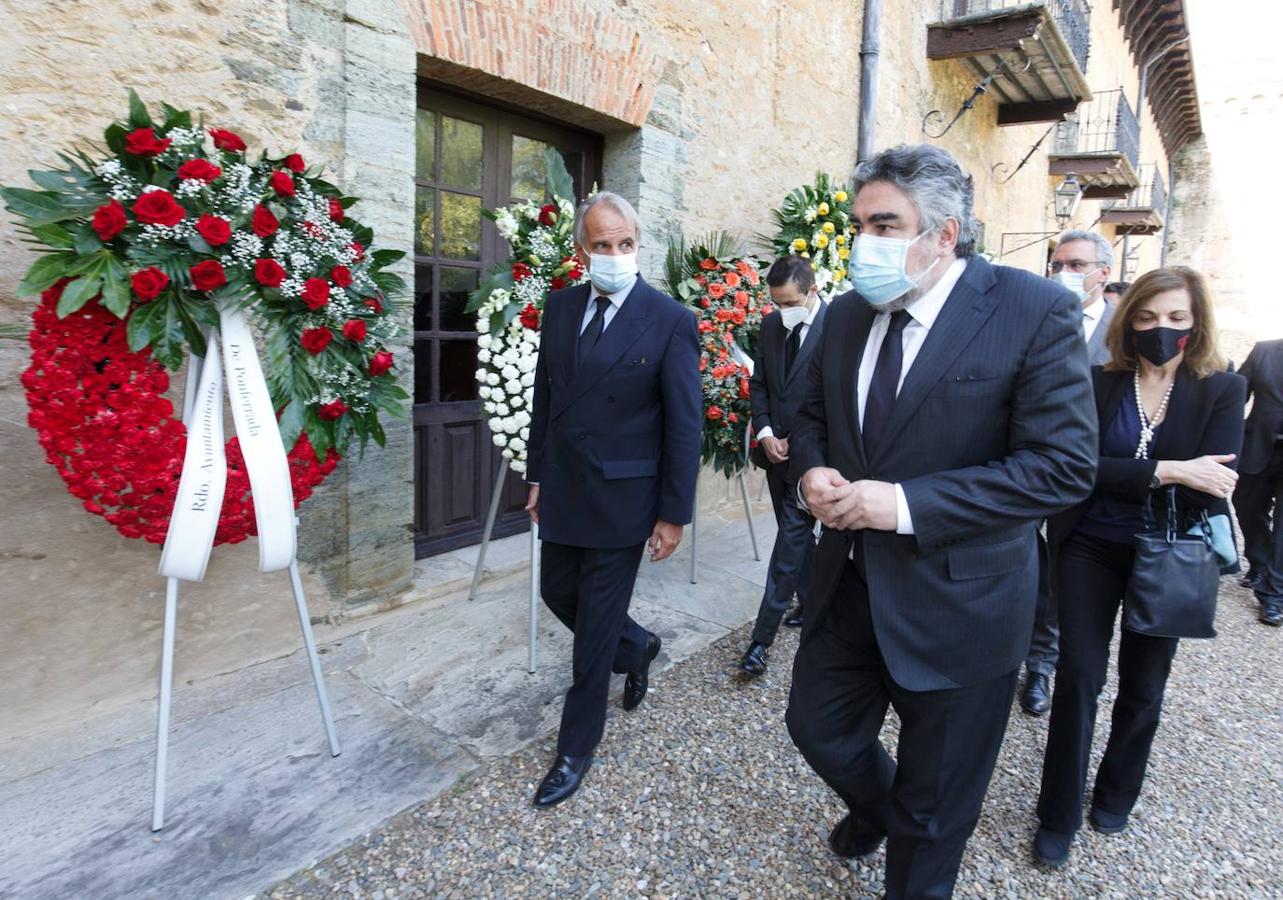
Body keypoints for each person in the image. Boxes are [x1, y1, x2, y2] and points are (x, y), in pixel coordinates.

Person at [785, 144, 1097, 899]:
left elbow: (1060, 468)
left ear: (944, 233)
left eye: (884, 224)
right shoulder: (850, 314)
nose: (865, 242)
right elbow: (806, 414)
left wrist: (905, 504)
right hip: (851, 584)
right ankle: (875, 807)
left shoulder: (1031, 309)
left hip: (966, 603)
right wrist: (809, 473)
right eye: (858, 224)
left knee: (935, 813)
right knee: (816, 728)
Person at [1034, 266, 1246, 866]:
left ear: (1196, 322)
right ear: (1131, 322)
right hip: (1089, 545)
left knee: (1145, 684)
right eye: (1149, 318)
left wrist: (1130, 474)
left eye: (1177, 318)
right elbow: (1075, 467)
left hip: (1172, 552)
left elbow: (1218, 484)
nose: (1162, 330)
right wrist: (1172, 470)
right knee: (1078, 676)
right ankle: (1058, 813)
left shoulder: (1222, 389)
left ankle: (1117, 792)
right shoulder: (1099, 382)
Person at [524, 191, 702, 807]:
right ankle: (640, 645)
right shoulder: (560, 306)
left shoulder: (669, 318)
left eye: (625, 244)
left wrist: (674, 512)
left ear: (637, 243)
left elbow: (685, 424)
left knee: (593, 630)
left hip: (625, 496)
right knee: (556, 592)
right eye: (602, 245)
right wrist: (537, 475)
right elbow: (546, 401)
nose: (615, 255)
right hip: (567, 486)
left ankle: (576, 747)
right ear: (582, 251)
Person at [1020, 230, 1120, 716]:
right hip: (1020, 464)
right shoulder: (1033, 317)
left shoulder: (1122, 333)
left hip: (1081, 474)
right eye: (1058, 263)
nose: (1064, 274)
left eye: (1077, 265)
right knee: (1019, 559)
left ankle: (1041, 662)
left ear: (1104, 271)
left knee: (1060, 573)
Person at [739, 256, 828, 676]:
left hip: (813, 459)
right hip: (775, 453)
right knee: (797, 543)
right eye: (776, 302)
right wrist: (765, 432)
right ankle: (812, 603)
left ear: (811, 292)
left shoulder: (838, 328)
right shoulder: (773, 326)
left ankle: (760, 641)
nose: (781, 310)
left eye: (789, 301)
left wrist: (808, 442)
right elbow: (759, 384)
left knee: (788, 546)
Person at [1231, 338, 1283, 625]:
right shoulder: (1264, 350)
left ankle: (1274, 595)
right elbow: (1236, 392)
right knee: (1246, 507)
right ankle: (1260, 561)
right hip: (1257, 448)